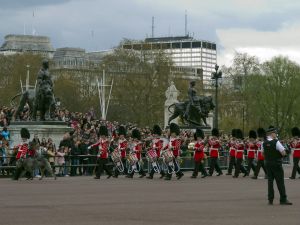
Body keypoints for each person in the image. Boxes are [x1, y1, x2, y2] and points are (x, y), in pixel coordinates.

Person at [263, 126, 292, 205]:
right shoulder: (276, 142)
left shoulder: (264, 143)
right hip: (276, 163)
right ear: (272, 133)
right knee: (280, 182)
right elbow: (283, 153)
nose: (276, 134)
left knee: (270, 182)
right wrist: (286, 152)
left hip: (268, 163)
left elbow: (263, 153)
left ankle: (270, 199)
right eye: (275, 133)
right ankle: (283, 199)